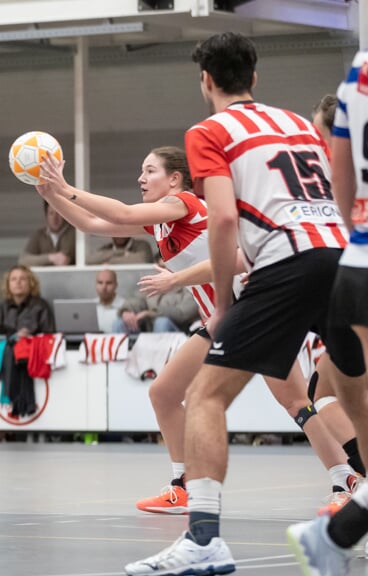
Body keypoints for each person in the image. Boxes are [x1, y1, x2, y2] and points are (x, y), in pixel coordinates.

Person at [118, 32, 363, 575]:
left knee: (204, 396)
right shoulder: (300, 125)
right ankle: (352, 508)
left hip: (285, 262)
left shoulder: (209, 131)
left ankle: (203, 542)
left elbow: (224, 218)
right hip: (340, 255)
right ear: (254, 77)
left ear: (205, 80)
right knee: (354, 395)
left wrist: (225, 303)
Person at [39, 142, 358, 532]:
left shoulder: (184, 204)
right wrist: (51, 193)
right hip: (220, 319)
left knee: (296, 402)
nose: (141, 178)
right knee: (165, 394)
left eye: (149, 170)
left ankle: (347, 479)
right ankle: (184, 484)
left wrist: (67, 187)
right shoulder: (158, 222)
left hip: (252, 309)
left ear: (174, 179)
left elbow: (119, 211)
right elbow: (93, 225)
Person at [287, 50, 368, 573]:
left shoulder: (359, 69)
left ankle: (336, 534)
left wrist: (354, 234)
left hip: (357, 262)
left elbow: (342, 181)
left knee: (328, 391)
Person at [0, 265, 54, 338]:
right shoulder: (3, 307)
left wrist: (30, 337)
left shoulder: (41, 306)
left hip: (33, 348)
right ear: (8, 284)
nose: (18, 282)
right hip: (8, 348)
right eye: (13, 279)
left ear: (31, 283)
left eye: (22, 279)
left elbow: (49, 336)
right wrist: (13, 337)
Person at [19, 201, 75, 266]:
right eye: (51, 213)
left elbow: (64, 259)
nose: (55, 218)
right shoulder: (39, 235)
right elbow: (23, 260)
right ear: (46, 215)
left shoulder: (74, 233)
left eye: (58, 213)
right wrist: (51, 258)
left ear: (64, 215)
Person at [86, 236, 155, 265]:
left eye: (121, 230)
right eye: (115, 230)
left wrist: (109, 262)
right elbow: (89, 261)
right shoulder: (107, 247)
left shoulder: (142, 245)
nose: (119, 234)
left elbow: (143, 260)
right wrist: (120, 252)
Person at [93, 269, 123, 333]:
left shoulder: (125, 306)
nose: (104, 287)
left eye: (109, 283)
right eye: (100, 283)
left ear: (116, 285)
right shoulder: (89, 306)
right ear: (96, 285)